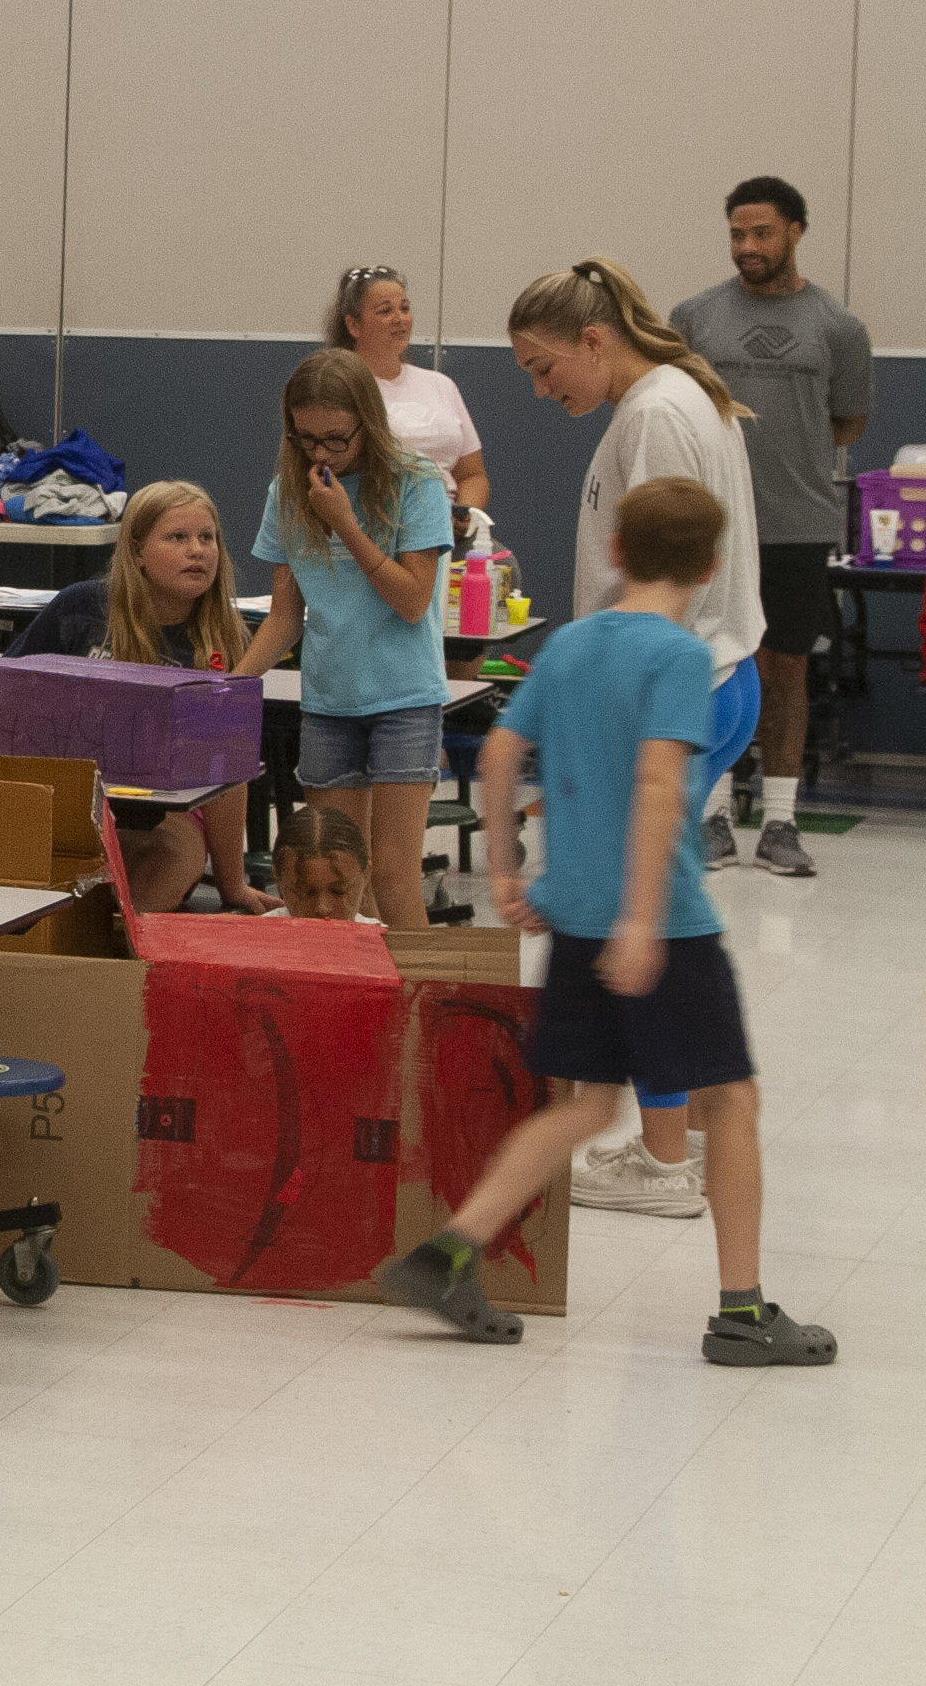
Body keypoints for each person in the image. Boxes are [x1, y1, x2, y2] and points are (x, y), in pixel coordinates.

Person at [375, 478, 834, 1368]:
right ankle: (742, 1311)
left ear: (616, 551)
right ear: (710, 567)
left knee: (587, 1104)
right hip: (659, 924)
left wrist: (508, 872)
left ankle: (449, 1252)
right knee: (731, 1100)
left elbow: (502, 751)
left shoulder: (574, 643)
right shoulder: (675, 658)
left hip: (576, 915)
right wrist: (639, 919)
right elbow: (662, 784)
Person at [510, 256, 767, 1219]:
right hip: (705, 680)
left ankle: (663, 1160)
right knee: (657, 912)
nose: (542, 392)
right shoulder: (672, 391)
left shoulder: (656, 411)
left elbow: (664, 578)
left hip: (677, 687)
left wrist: (592, 717)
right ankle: (689, 1114)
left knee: (638, 917)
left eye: (545, 368)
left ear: (593, 338)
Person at [670, 178, 872, 880]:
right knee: (714, 666)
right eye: (736, 234)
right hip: (712, 523)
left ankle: (781, 822)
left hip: (796, 523)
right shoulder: (694, 317)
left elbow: (847, 421)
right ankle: (713, 817)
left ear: (795, 231)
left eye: (761, 233)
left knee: (785, 670)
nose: (747, 247)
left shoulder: (838, 327)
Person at [236, 351, 452, 929]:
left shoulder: (417, 483)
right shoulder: (289, 488)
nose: (322, 454)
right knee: (336, 879)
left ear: (369, 421)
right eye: (307, 439)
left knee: (392, 875)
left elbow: (412, 600)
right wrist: (231, 684)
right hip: (330, 704)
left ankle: (417, 1012)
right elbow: (284, 615)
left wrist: (348, 526)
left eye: (336, 438)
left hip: (403, 700)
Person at [12, 480, 275, 916]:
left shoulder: (224, 639)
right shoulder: (81, 608)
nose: (198, 551)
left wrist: (233, 885)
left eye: (206, 538)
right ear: (136, 552)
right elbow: (9, 694)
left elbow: (230, 772)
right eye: (178, 538)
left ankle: (116, 965)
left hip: (169, 812)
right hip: (75, 796)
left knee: (163, 864)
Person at [327, 265, 488, 530]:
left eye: (404, 308)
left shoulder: (440, 385)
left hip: (445, 529)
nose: (400, 319)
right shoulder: (340, 389)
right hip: (378, 528)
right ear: (354, 325)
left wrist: (463, 514)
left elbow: (472, 474)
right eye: (385, 311)